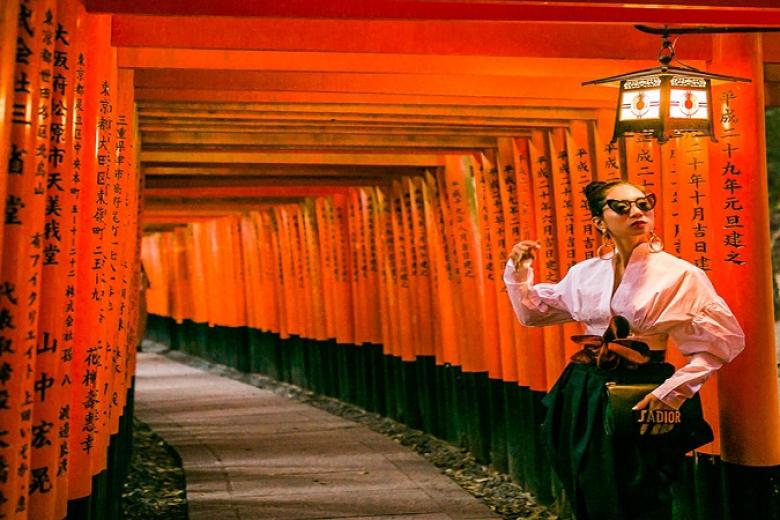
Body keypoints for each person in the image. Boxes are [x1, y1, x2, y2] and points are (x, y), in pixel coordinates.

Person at [503, 180, 745, 520]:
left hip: (644, 389)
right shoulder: (584, 273)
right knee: (585, 480)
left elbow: (719, 344)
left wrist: (673, 393)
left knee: (642, 489)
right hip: (583, 388)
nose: (636, 212)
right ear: (600, 221)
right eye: (621, 206)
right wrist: (519, 270)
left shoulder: (679, 274)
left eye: (644, 203)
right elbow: (533, 313)